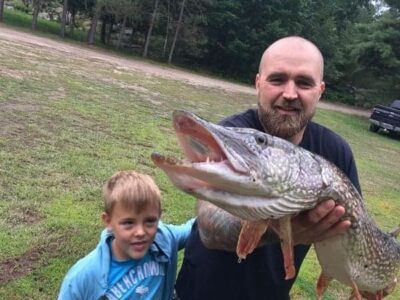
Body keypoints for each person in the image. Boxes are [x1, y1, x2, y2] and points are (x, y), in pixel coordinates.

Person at [175, 36, 362, 300]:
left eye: (304, 82)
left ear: (320, 90)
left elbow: (357, 232)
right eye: (277, 79)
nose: (289, 93)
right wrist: (280, 228)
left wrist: (368, 281)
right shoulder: (234, 137)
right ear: (258, 83)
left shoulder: (337, 152)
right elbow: (209, 225)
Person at [58, 170, 194, 300]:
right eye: (128, 223)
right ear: (108, 221)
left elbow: (193, 227)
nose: (140, 232)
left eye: (150, 221)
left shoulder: (164, 238)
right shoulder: (83, 276)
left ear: (159, 217)